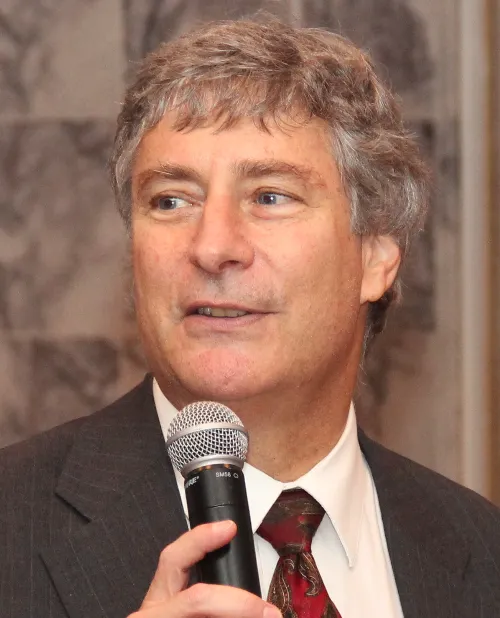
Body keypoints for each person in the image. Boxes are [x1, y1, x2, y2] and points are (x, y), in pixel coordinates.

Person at [1, 16, 500, 618]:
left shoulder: (481, 552)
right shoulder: (13, 522)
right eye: (171, 200)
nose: (212, 247)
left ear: (376, 256)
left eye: (269, 196)